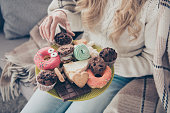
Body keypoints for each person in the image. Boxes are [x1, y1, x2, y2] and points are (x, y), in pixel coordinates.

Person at [21, 0, 168, 113]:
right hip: (78, 58)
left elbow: (152, 60)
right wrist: (63, 15)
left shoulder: (154, 6)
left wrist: (105, 64)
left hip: (116, 73)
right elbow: (86, 22)